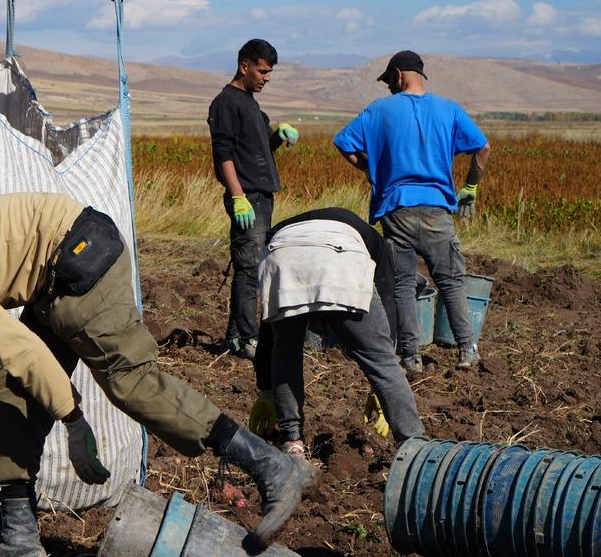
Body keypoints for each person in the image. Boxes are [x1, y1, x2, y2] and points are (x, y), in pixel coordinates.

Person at [0, 193, 316, 554]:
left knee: (130, 381)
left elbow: (13, 343)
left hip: (80, 257)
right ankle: (20, 538)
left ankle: (272, 466)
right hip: (51, 281)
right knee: (9, 394)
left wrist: (73, 419)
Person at [333, 50, 491, 373]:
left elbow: (342, 141)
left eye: (389, 80)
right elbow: (483, 148)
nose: (388, 87)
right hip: (436, 210)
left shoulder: (378, 111)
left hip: (396, 209)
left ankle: (410, 357)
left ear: (399, 75)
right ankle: (466, 350)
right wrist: (471, 186)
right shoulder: (448, 109)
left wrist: (367, 168)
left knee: (403, 284)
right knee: (450, 281)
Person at [247, 208, 426, 454]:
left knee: (285, 351)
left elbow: (270, 333)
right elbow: (387, 302)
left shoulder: (283, 228)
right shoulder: (374, 240)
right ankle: (414, 445)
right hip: (342, 256)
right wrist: (385, 371)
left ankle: (292, 441)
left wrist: (266, 388)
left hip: (284, 253)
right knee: (380, 358)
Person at [207, 39, 299, 359]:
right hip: (247, 198)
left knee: (252, 265)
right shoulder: (226, 103)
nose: (267, 77)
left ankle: (235, 336)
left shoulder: (251, 104)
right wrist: (237, 196)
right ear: (244, 67)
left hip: (261, 197)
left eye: (270, 72)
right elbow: (224, 154)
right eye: (262, 71)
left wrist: (277, 136)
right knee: (249, 269)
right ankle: (249, 340)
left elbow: (256, 151)